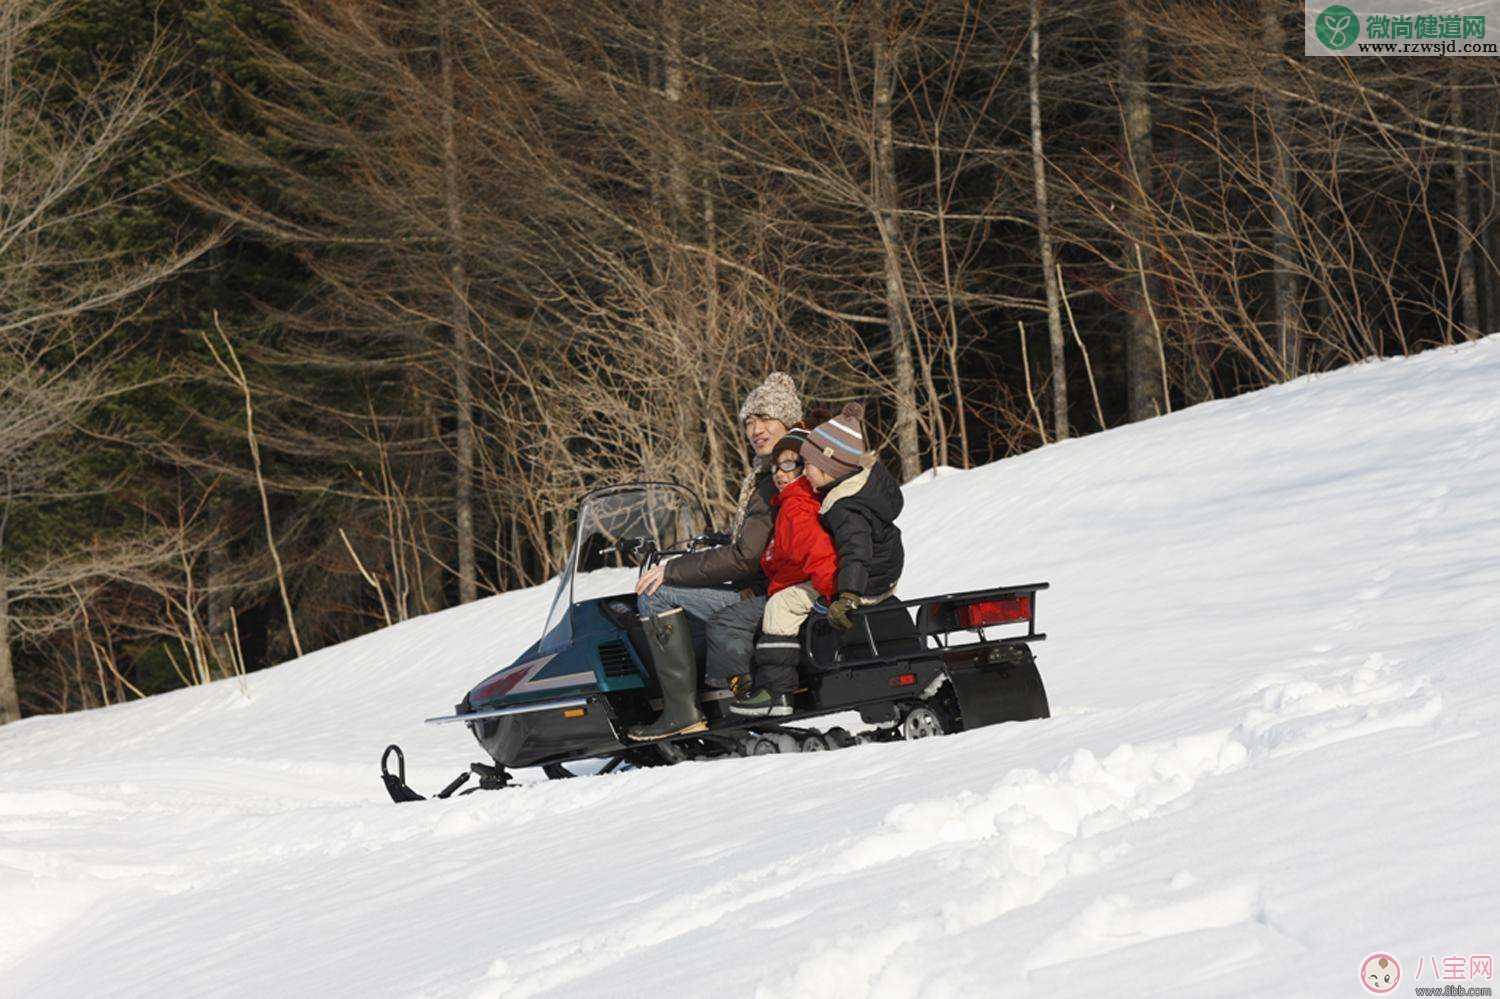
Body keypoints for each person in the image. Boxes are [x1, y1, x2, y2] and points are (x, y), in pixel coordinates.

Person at [625, 371, 803, 741]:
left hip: (768, 591)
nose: (756, 429)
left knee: (655, 593)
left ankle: (681, 712)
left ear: (787, 421)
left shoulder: (777, 476)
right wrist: (713, 544)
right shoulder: (781, 468)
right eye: (750, 421)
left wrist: (673, 569)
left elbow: (746, 557)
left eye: (766, 419)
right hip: (767, 585)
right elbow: (756, 542)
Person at [732, 402, 904, 717]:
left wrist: (842, 595)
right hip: (882, 574)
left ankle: (775, 693)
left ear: (829, 465)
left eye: (806, 465)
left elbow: (851, 552)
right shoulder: (865, 486)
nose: (803, 473)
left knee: (780, 606)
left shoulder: (842, 506)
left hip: (859, 582)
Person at [701, 428, 837, 706]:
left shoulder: (797, 506)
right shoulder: (787, 503)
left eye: (788, 465)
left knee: (725, 621)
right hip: (789, 587)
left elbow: (819, 554)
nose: (779, 473)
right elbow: (783, 561)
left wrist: (832, 595)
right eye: (775, 467)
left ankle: (737, 697)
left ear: (807, 467)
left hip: (810, 590)